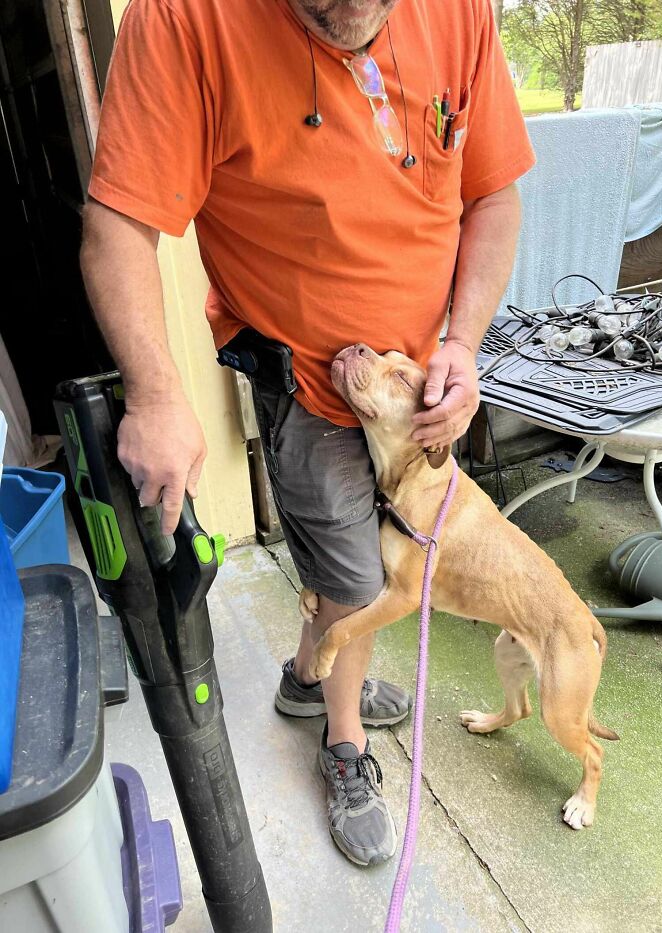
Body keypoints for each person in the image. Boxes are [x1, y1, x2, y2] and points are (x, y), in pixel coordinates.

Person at [81, 0, 535, 866]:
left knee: (352, 570)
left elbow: (494, 195)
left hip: (412, 388)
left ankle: (304, 677)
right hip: (310, 380)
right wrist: (156, 391)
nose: (352, 19)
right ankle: (344, 739)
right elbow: (117, 225)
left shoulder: (461, 11)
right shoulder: (184, 20)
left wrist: (462, 348)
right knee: (360, 581)